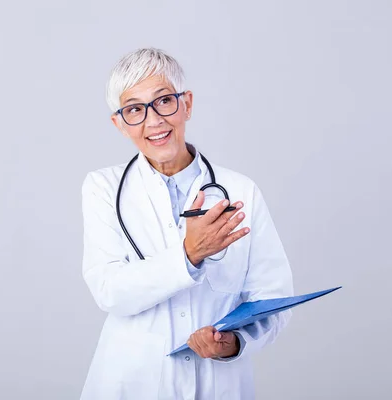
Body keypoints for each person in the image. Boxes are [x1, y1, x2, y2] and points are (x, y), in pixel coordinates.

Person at [80, 48, 294, 400]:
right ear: (119, 123)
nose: (154, 121)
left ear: (187, 104)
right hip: (133, 382)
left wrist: (233, 344)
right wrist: (189, 254)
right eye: (135, 109)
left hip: (217, 383)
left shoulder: (241, 191)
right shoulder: (103, 188)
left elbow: (273, 297)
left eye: (164, 101)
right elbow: (109, 290)